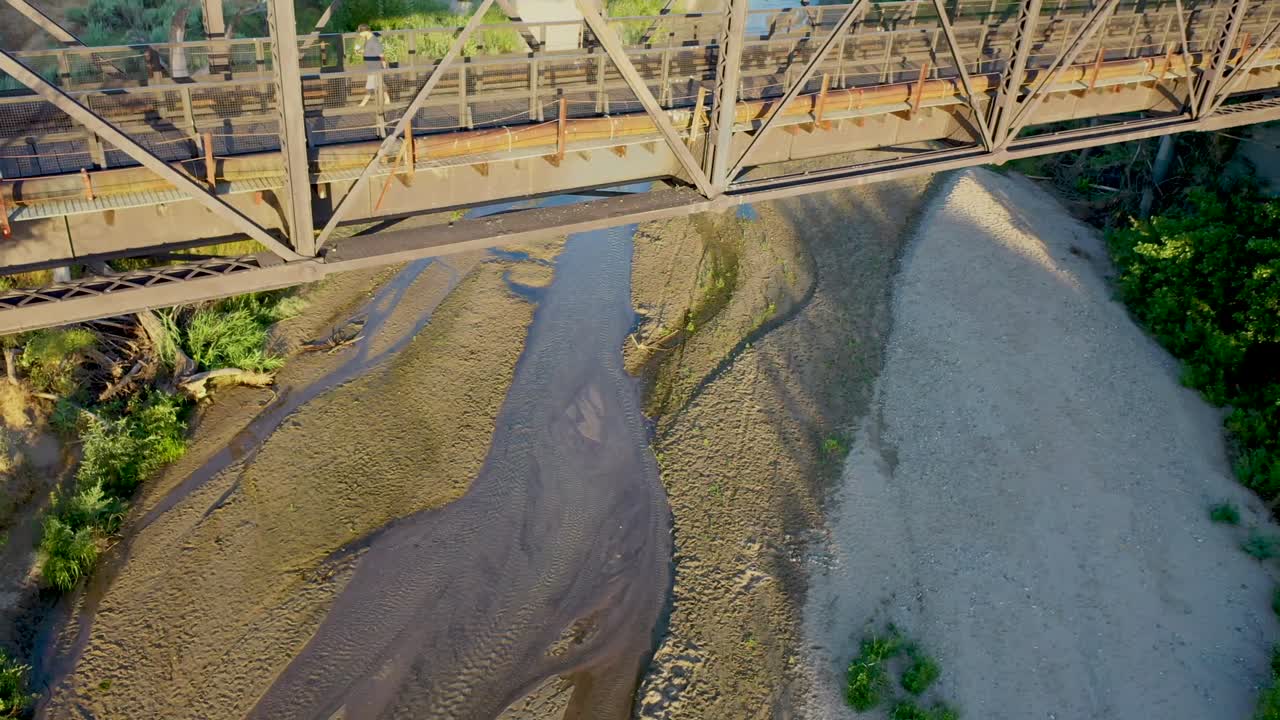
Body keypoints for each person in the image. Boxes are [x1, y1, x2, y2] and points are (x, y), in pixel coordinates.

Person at [356, 24, 390, 107]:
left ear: (366, 31)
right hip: (371, 66)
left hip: (375, 67)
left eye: (360, 32)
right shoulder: (368, 39)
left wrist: (384, 66)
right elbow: (368, 50)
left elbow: (381, 55)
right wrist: (360, 51)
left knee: (370, 84)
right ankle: (387, 99)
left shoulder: (374, 41)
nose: (359, 34)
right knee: (380, 83)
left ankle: (364, 102)